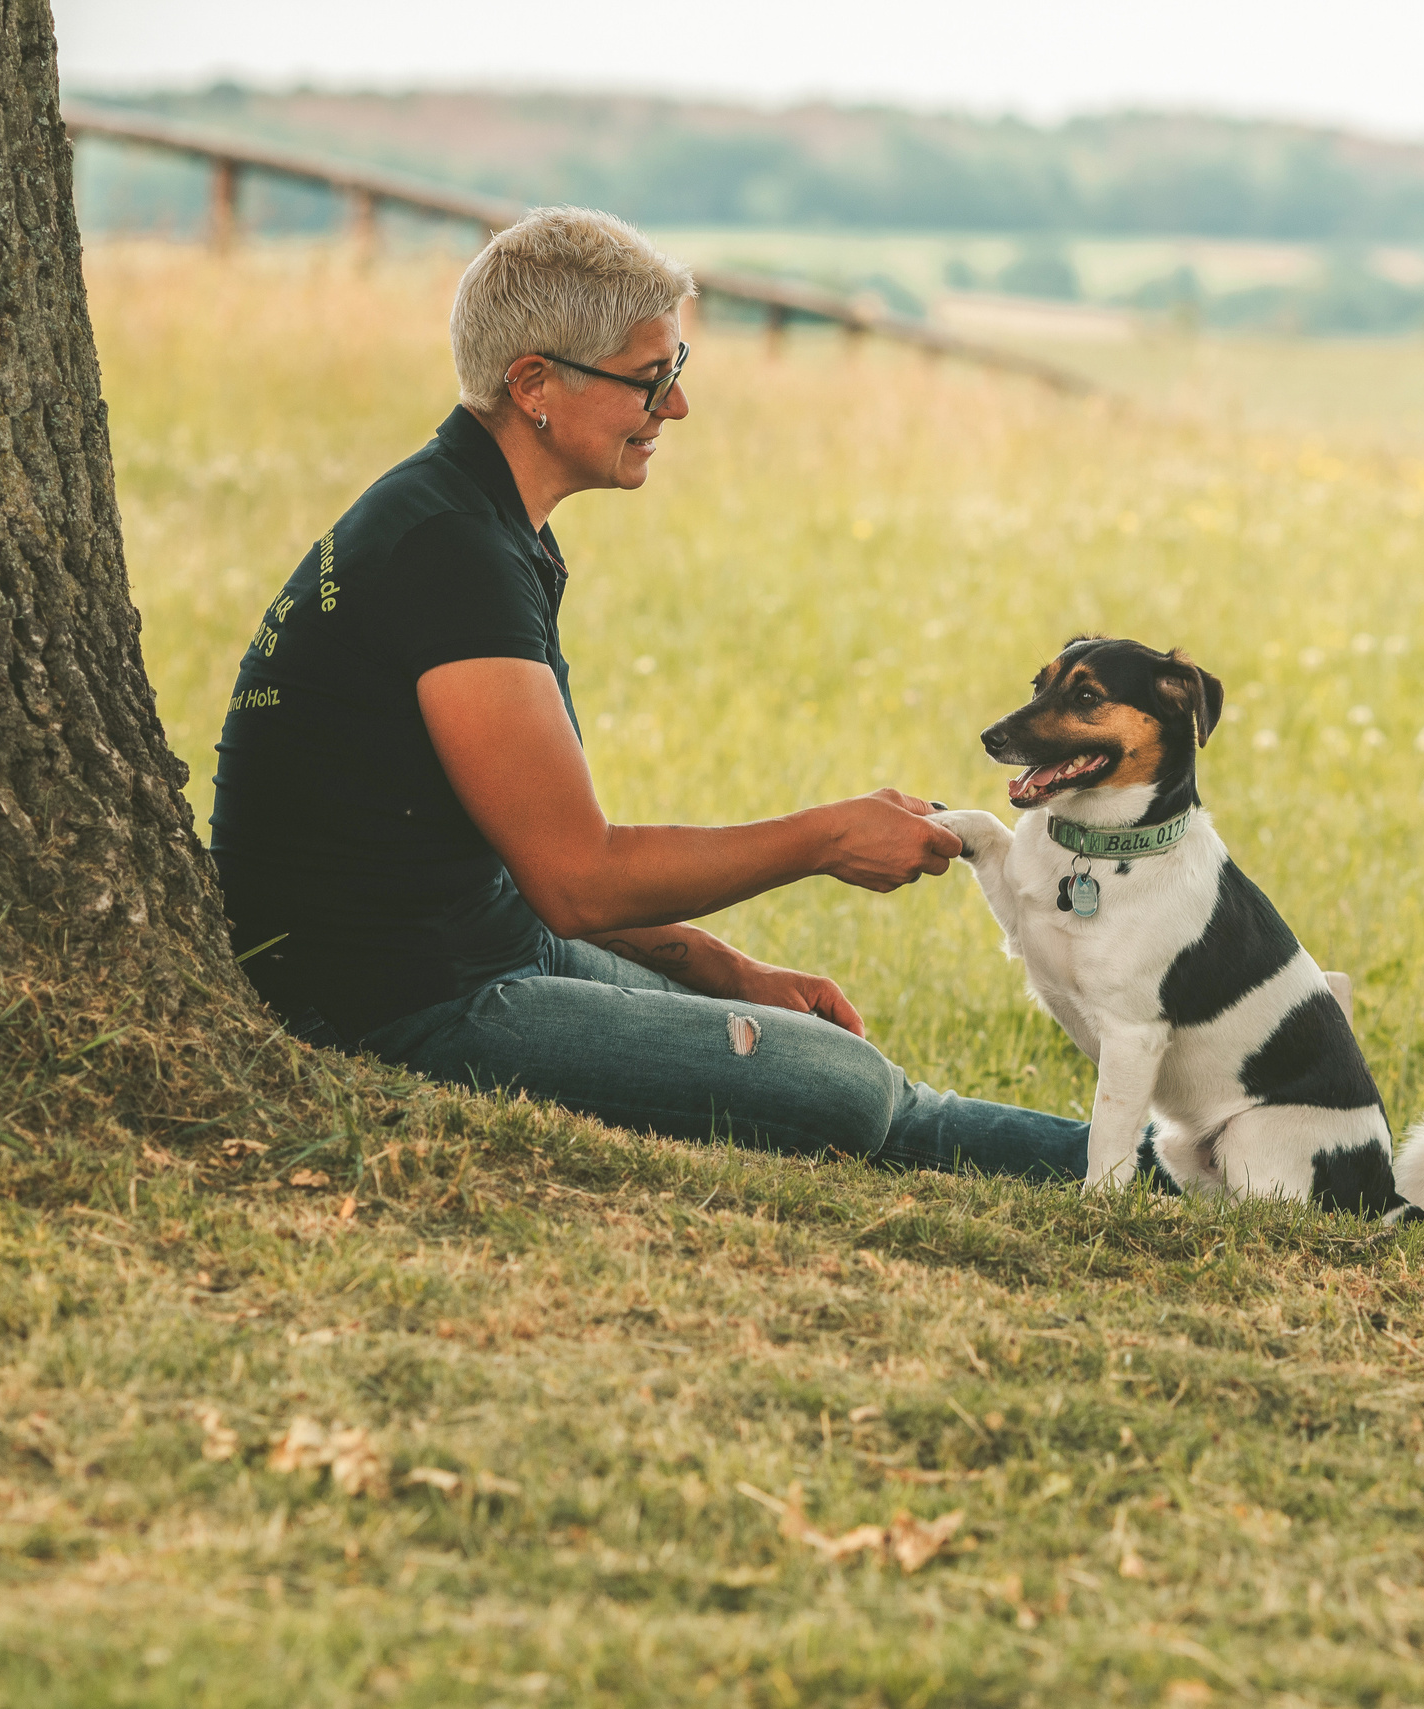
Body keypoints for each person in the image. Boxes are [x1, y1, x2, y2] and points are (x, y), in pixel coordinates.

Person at [209, 206, 1087, 1180]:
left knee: (835, 1062)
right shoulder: (449, 554)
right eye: (648, 378)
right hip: (395, 1005)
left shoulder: (469, 518)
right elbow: (577, 879)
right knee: (844, 1088)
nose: (675, 407)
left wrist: (725, 970)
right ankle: (1168, 1167)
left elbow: (531, 860)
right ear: (533, 385)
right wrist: (823, 839)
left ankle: (1176, 1166)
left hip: (480, 944)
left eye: (676, 370)